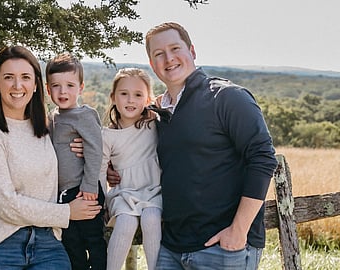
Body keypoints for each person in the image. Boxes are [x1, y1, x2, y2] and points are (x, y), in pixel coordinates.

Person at [107, 22, 278, 269]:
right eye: (159, 54)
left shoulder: (227, 97)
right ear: (152, 64)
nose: (169, 58)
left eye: (175, 48)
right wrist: (113, 168)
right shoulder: (158, 113)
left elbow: (263, 158)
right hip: (171, 248)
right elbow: (136, 146)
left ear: (192, 51)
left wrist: (238, 230)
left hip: (222, 248)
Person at [0, 45, 102, 270]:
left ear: (35, 85)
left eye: (25, 77)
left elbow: (86, 153)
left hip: (48, 245)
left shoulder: (45, 127)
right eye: (9, 77)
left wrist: (93, 159)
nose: (18, 86)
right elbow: (6, 203)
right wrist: (67, 212)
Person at [45, 53, 107, 270]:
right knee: (72, 244)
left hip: (84, 190)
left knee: (93, 241)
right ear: (47, 89)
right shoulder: (54, 116)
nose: (63, 92)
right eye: (56, 86)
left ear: (81, 88)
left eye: (70, 85)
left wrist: (89, 185)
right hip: (63, 196)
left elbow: (94, 149)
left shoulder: (84, 115)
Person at [100, 68, 162, 270]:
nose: (130, 100)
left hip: (153, 191)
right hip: (123, 193)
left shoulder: (154, 123)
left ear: (147, 99)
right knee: (125, 222)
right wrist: (102, 204)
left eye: (138, 95)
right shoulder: (107, 135)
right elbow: (100, 170)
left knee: (152, 218)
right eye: (124, 94)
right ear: (113, 97)